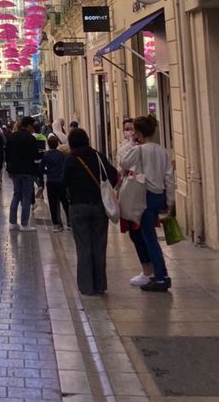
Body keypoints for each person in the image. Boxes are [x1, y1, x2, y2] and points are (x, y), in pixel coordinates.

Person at [121, 115, 174, 293]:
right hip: (159, 195)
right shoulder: (162, 151)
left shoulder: (139, 150)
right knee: (150, 235)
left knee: (149, 237)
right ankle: (162, 274)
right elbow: (169, 178)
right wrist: (169, 201)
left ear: (138, 133)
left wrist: (131, 144)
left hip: (145, 196)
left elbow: (123, 163)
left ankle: (160, 277)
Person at [63, 127, 118, 295]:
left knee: (83, 247)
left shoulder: (70, 160)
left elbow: (63, 182)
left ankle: (87, 286)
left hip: (78, 207)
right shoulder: (98, 156)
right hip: (99, 205)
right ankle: (100, 285)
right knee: (99, 246)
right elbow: (113, 176)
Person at [5, 116, 43, 230]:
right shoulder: (30, 138)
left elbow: (7, 154)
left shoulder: (12, 136)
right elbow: (35, 156)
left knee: (16, 194)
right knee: (26, 196)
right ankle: (24, 223)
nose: (33, 128)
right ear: (29, 126)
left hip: (15, 171)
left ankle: (12, 222)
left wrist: (9, 169)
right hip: (27, 170)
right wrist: (43, 154)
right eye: (32, 126)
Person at [42, 134, 70, 231]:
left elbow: (41, 169)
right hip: (62, 182)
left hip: (51, 182)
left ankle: (56, 224)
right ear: (57, 144)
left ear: (49, 145)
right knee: (65, 202)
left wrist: (47, 172)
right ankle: (69, 222)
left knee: (53, 204)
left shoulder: (46, 155)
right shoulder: (62, 155)